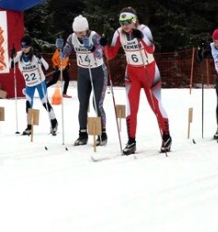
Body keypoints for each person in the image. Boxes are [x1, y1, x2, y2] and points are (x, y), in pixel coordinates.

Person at [107, 9, 172, 153]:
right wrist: (104, 44)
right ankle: (131, 141)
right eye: (122, 22)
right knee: (131, 106)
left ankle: (166, 137)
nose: (125, 25)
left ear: (135, 20)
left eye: (128, 22)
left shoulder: (144, 29)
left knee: (155, 105)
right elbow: (110, 55)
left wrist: (141, 37)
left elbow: (151, 49)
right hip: (132, 74)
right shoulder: (118, 33)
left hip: (149, 71)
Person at [57, 15, 107, 147]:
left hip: (98, 72)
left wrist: (91, 47)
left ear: (87, 29)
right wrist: (59, 49)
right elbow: (63, 56)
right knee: (82, 103)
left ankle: (102, 133)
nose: (79, 35)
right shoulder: (71, 38)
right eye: (77, 32)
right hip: (83, 72)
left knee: (97, 103)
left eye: (81, 33)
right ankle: (83, 134)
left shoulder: (95, 36)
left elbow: (101, 54)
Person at [15, 35, 58, 137]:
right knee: (28, 105)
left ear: (30, 46)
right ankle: (29, 127)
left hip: (39, 82)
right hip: (29, 84)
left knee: (44, 103)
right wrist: (11, 57)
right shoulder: (19, 55)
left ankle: (54, 122)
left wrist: (40, 58)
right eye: (22, 47)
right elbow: (9, 65)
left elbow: (47, 67)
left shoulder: (35, 55)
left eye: (26, 47)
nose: (24, 49)